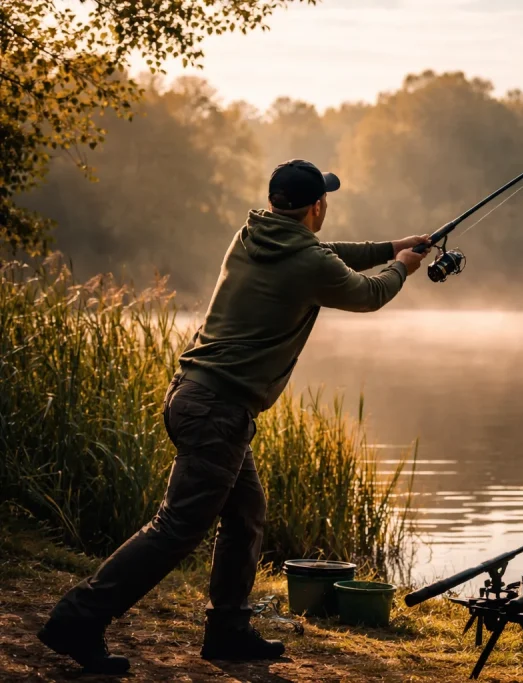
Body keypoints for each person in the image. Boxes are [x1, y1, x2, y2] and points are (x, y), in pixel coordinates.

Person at [37, 160, 431, 674]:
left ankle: (228, 630)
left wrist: (389, 247)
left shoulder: (251, 233)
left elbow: (329, 256)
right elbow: (367, 292)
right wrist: (401, 266)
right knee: (175, 528)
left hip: (196, 398)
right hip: (219, 411)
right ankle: (79, 619)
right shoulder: (307, 259)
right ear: (317, 207)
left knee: (245, 515)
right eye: (324, 199)